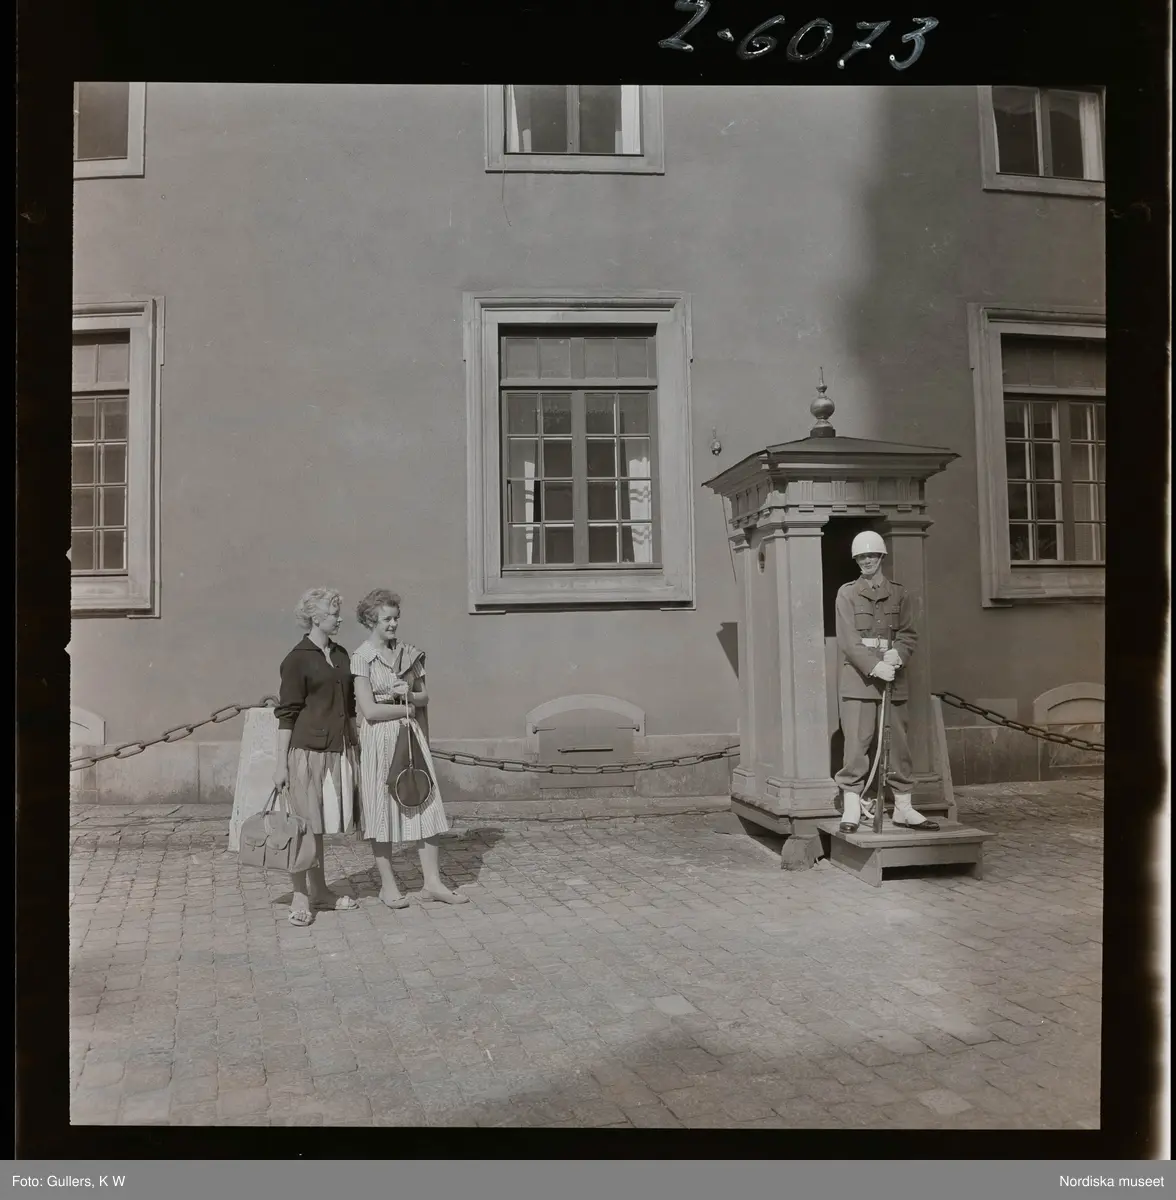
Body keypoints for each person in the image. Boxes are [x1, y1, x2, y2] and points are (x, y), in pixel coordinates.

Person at [350, 589, 468, 907]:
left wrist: (410, 696)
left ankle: (433, 883)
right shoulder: (361, 658)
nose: (393, 624)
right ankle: (388, 886)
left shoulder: (408, 654)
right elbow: (369, 710)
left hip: (410, 736)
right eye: (386, 619)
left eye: (396, 618)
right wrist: (405, 707)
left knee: (425, 802)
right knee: (381, 809)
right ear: (371, 621)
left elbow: (424, 696)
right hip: (379, 739)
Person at [834, 531, 939, 833]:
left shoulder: (899, 593)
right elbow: (848, 640)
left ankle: (903, 807)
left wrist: (899, 655)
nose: (866, 561)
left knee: (898, 745)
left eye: (871, 555)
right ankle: (852, 805)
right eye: (861, 557)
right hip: (860, 679)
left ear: (881, 557)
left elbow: (908, 632)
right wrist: (874, 665)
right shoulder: (847, 594)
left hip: (893, 677)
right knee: (857, 743)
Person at [273, 587, 363, 926]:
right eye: (333, 614)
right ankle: (300, 896)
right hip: (304, 753)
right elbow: (287, 715)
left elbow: (349, 706)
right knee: (303, 826)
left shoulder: (340, 655)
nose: (339, 619)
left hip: (336, 750)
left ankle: (321, 891)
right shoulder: (296, 659)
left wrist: (355, 743)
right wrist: (280, 764)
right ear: (315, 618)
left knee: (319, 824)